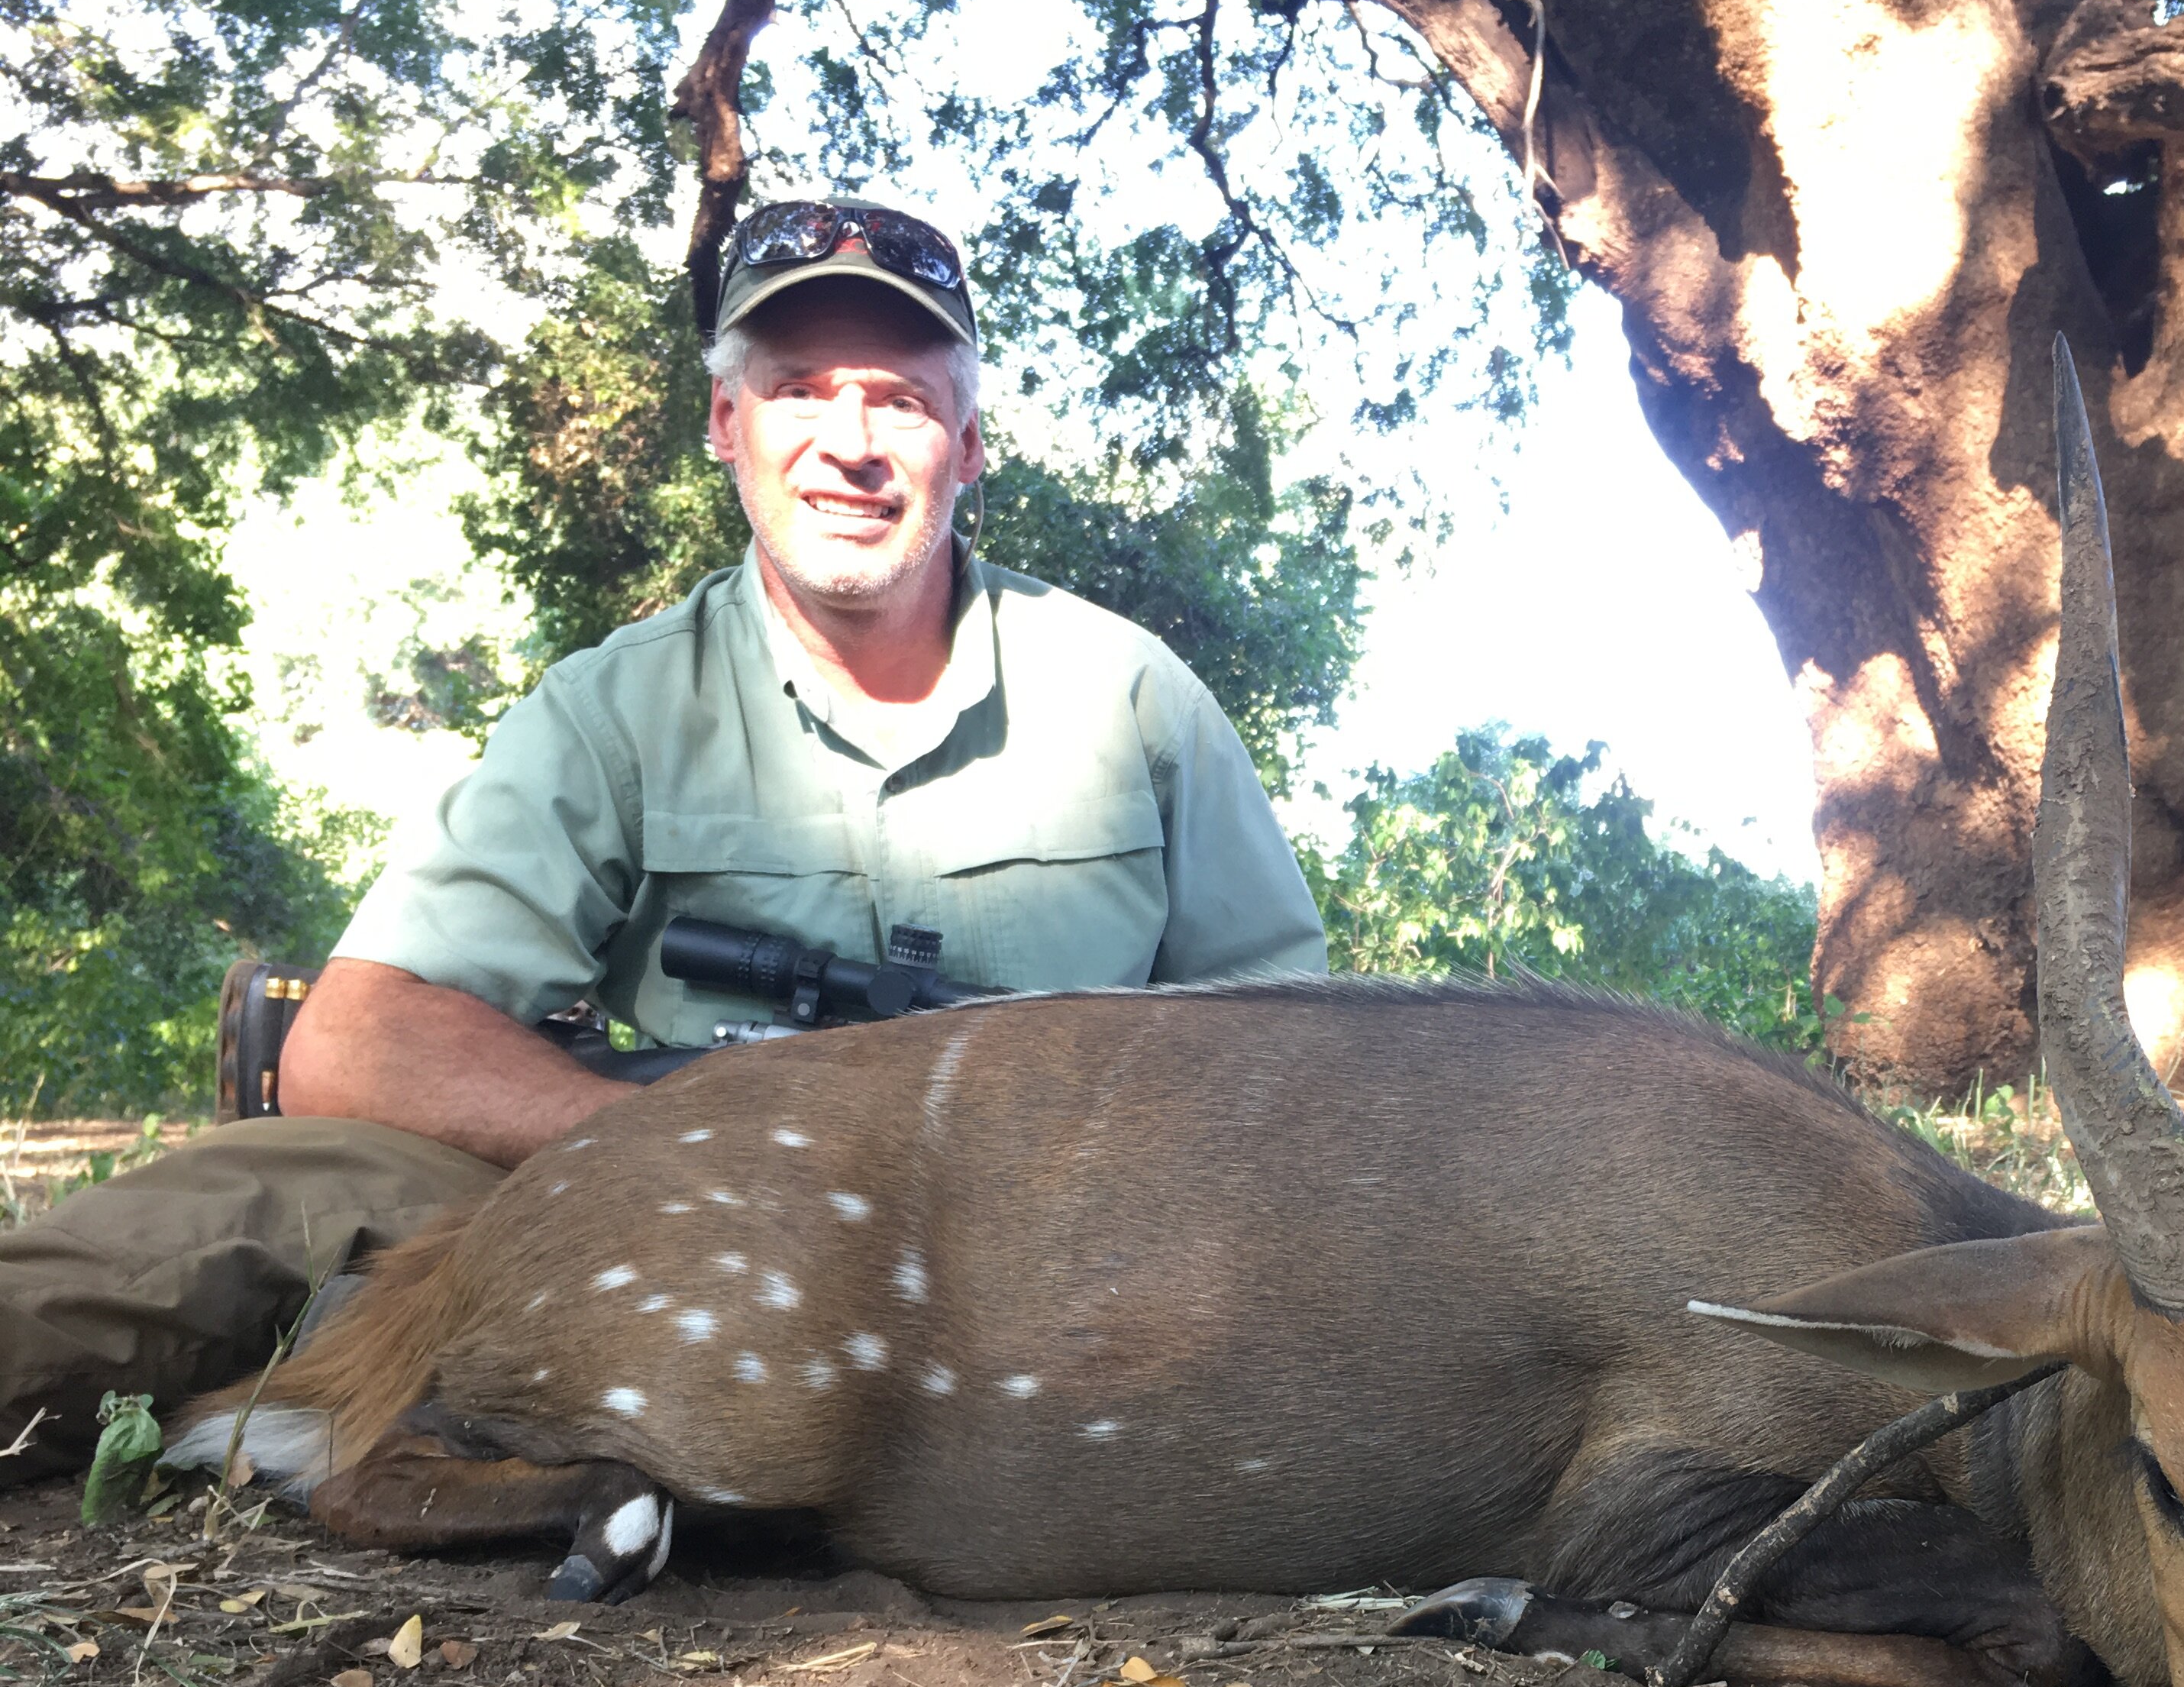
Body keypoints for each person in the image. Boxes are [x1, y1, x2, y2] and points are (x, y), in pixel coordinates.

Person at [0, 196, 1326, 1486]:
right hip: (666, 1204)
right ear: (727, 425)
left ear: (970, 444)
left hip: (1045, 1240)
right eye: (801, 389)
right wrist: (679, 1151)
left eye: (902, 400)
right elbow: (358, 1036)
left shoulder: (1132, 696)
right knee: (224, 1210)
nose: (848, 440)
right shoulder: (617, 703)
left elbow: (1294, 1068)